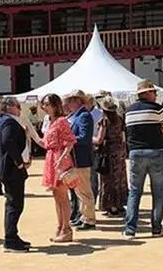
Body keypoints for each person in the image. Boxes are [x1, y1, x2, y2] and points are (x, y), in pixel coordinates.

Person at [123, 79, 163, 237]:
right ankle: (156, 227)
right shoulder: (157, 109)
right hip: (156, 150)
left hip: (136, 152)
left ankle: (130, 228)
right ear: (148, 93)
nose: (156, 95)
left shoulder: (129, 110)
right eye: (154, 92)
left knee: (135, 191)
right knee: (158, 191)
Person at [39, 94, 77, 242]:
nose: (45, 107)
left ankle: (66, 229)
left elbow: (70, 141)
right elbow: (45, 143)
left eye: (47, 104)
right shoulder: (49, 122)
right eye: (44, 104)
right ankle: (60, 226)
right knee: (57, 197)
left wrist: (62, 158)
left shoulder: (61, 121)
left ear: (55, 105)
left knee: (62, 196)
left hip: (59, 159)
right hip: (51, 158)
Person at [0, 98, 31, 253]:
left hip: (11, 169)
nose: (20, 109)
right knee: (14, 204)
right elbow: (8, 141)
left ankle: (12, 236)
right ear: (10, 107)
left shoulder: (6, 121)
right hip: (12, 170)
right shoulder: (8, 122)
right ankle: (10, 239)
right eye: (18, 106)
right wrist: (19, 162)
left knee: (14, 204)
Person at [64, 90, 97, 231]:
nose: (69, 103)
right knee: (80, 191)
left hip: (81, 158)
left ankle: (89, 219)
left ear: (79, 101)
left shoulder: (83, 116)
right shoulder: (79, 115)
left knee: (84, 191)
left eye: (72, 100)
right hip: (77, 158)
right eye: (69, 100)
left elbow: (84, 137)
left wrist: (69, 139)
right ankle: (84, 216)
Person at [94, 95, 127, 217]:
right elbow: (123, 136)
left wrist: (88, 138)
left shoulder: (104, 121)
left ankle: (110, 206)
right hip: (119, 150)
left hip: (108, 152)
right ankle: (119, 204)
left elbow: (99, 139)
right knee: (119, 178)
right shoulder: (119, 119)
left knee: (108, 179)